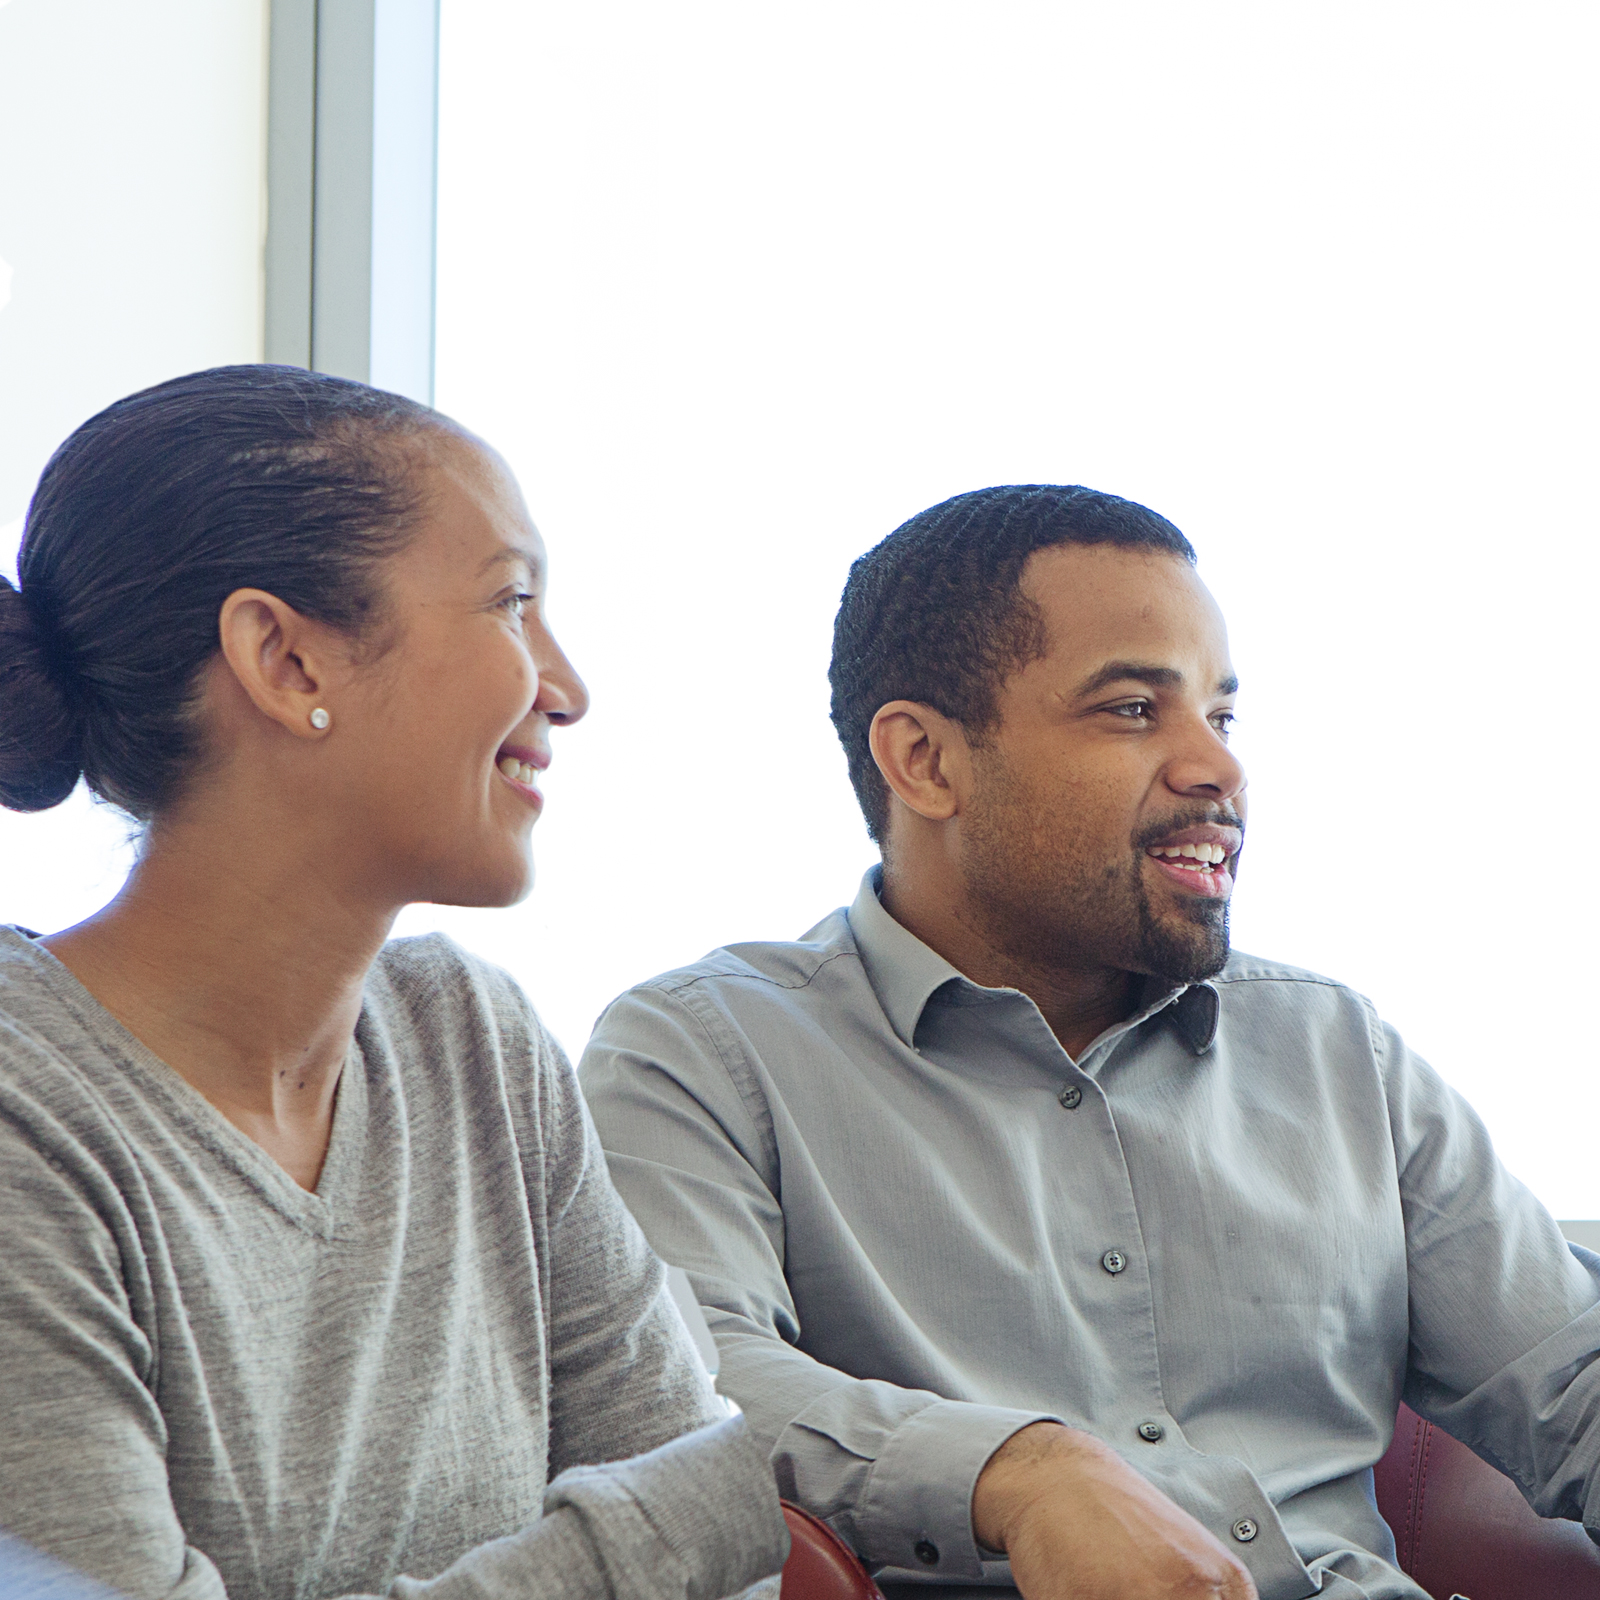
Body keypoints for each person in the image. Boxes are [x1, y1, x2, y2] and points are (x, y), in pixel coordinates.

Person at [578, 484, 1600, 1600]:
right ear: (924, 760)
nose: (1217, 769)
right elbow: (682, 1394)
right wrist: (1020, 1473)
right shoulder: (702, 1051)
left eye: (1220, 714)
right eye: (1130, 710)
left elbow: (1565, 1387)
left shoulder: (1335, 1047)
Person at [0, 366, 790, 1600]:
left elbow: (728, 1535)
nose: (566, 688)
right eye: (511, 603)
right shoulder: (25, 1113)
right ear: (286, 657)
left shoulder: (470, 1038)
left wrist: (701, 1517)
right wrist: (644, 1541)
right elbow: (699, 1515)